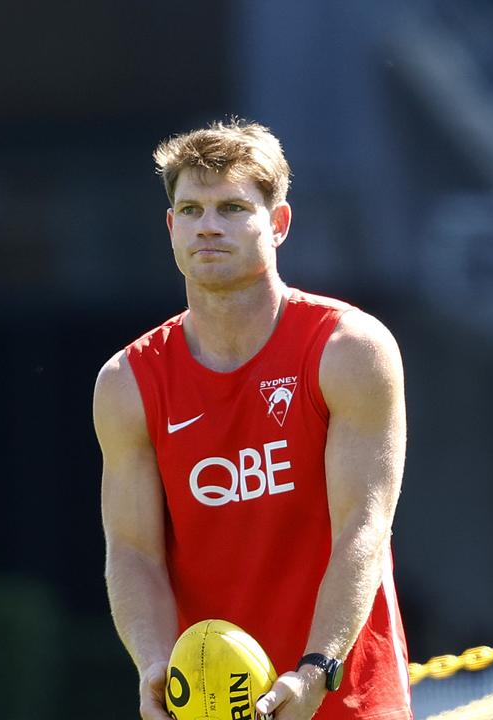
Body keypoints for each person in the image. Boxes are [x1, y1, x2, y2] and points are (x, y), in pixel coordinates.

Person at [94, 119, 411, 720]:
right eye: (190, 209)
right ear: (171, 228)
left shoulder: (348, 348)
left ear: (280, 223)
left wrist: (316, 668)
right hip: (210, 708)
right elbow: (133, 551)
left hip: (342, 697)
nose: (207, 226)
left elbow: (363, 530)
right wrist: (154, 666)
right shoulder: (127, 381)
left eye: (232, 207)